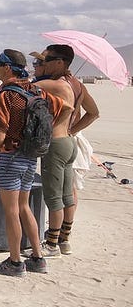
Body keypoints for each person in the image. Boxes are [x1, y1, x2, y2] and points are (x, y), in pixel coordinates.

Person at [0, 49, 63, 276]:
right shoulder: (35, 90)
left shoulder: (6, 95)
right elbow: (66, 108)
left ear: (7, 68)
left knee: (11, 211)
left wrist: (1, 147)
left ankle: (14, 263)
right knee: (24, 207)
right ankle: (37, 257)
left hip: (11, 157)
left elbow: (2, 133)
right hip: (30, 156)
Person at [29, 45, 99, 255]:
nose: (42, 64)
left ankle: (51, 244)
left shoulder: (56, 84)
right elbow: (93, 113)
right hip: (69, 142)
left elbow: (26, 87)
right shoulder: (77, 85)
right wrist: (71, 130)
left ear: (60, 63)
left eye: (45, 60)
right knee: (68, 194)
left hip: (57, 144)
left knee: (53, 197)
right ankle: (64, 239)